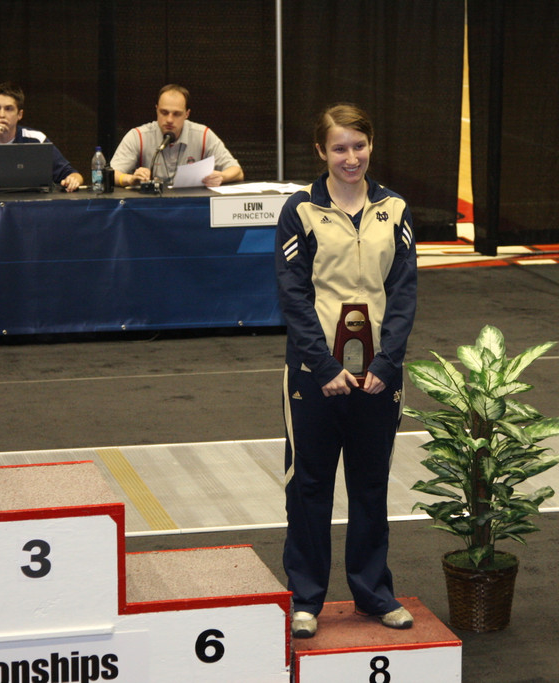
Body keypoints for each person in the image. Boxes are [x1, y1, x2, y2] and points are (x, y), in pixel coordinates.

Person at [274, 103, 417, 639]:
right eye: (339, 147)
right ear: (321, 151)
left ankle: (374, 592)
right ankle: (305, 598)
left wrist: (387, 362)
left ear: (370, 145)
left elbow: (403, 294)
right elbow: (293, 295)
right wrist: (323, 364)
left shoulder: (395, 209)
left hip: (378, 378)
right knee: (308, 486)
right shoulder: (301, 211)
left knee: (370, 484)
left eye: (358, 145)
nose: (350, 157)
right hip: (315, 376)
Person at [109, 84, 243, 188]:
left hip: (191, 208)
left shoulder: (203, 135)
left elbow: (237, 171)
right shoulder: (138, 136)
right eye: (164, 112)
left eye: (176, 114)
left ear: (187, 114)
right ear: (156, 109)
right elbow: (110, 174)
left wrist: (222, 176)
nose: (169, 120)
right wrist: (130, 179)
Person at [0, 82, 83, 192]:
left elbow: (72, 174)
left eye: (8, 109)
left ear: (19, 114)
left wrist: (73, 180)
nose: (1, 115)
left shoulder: (36, 139)